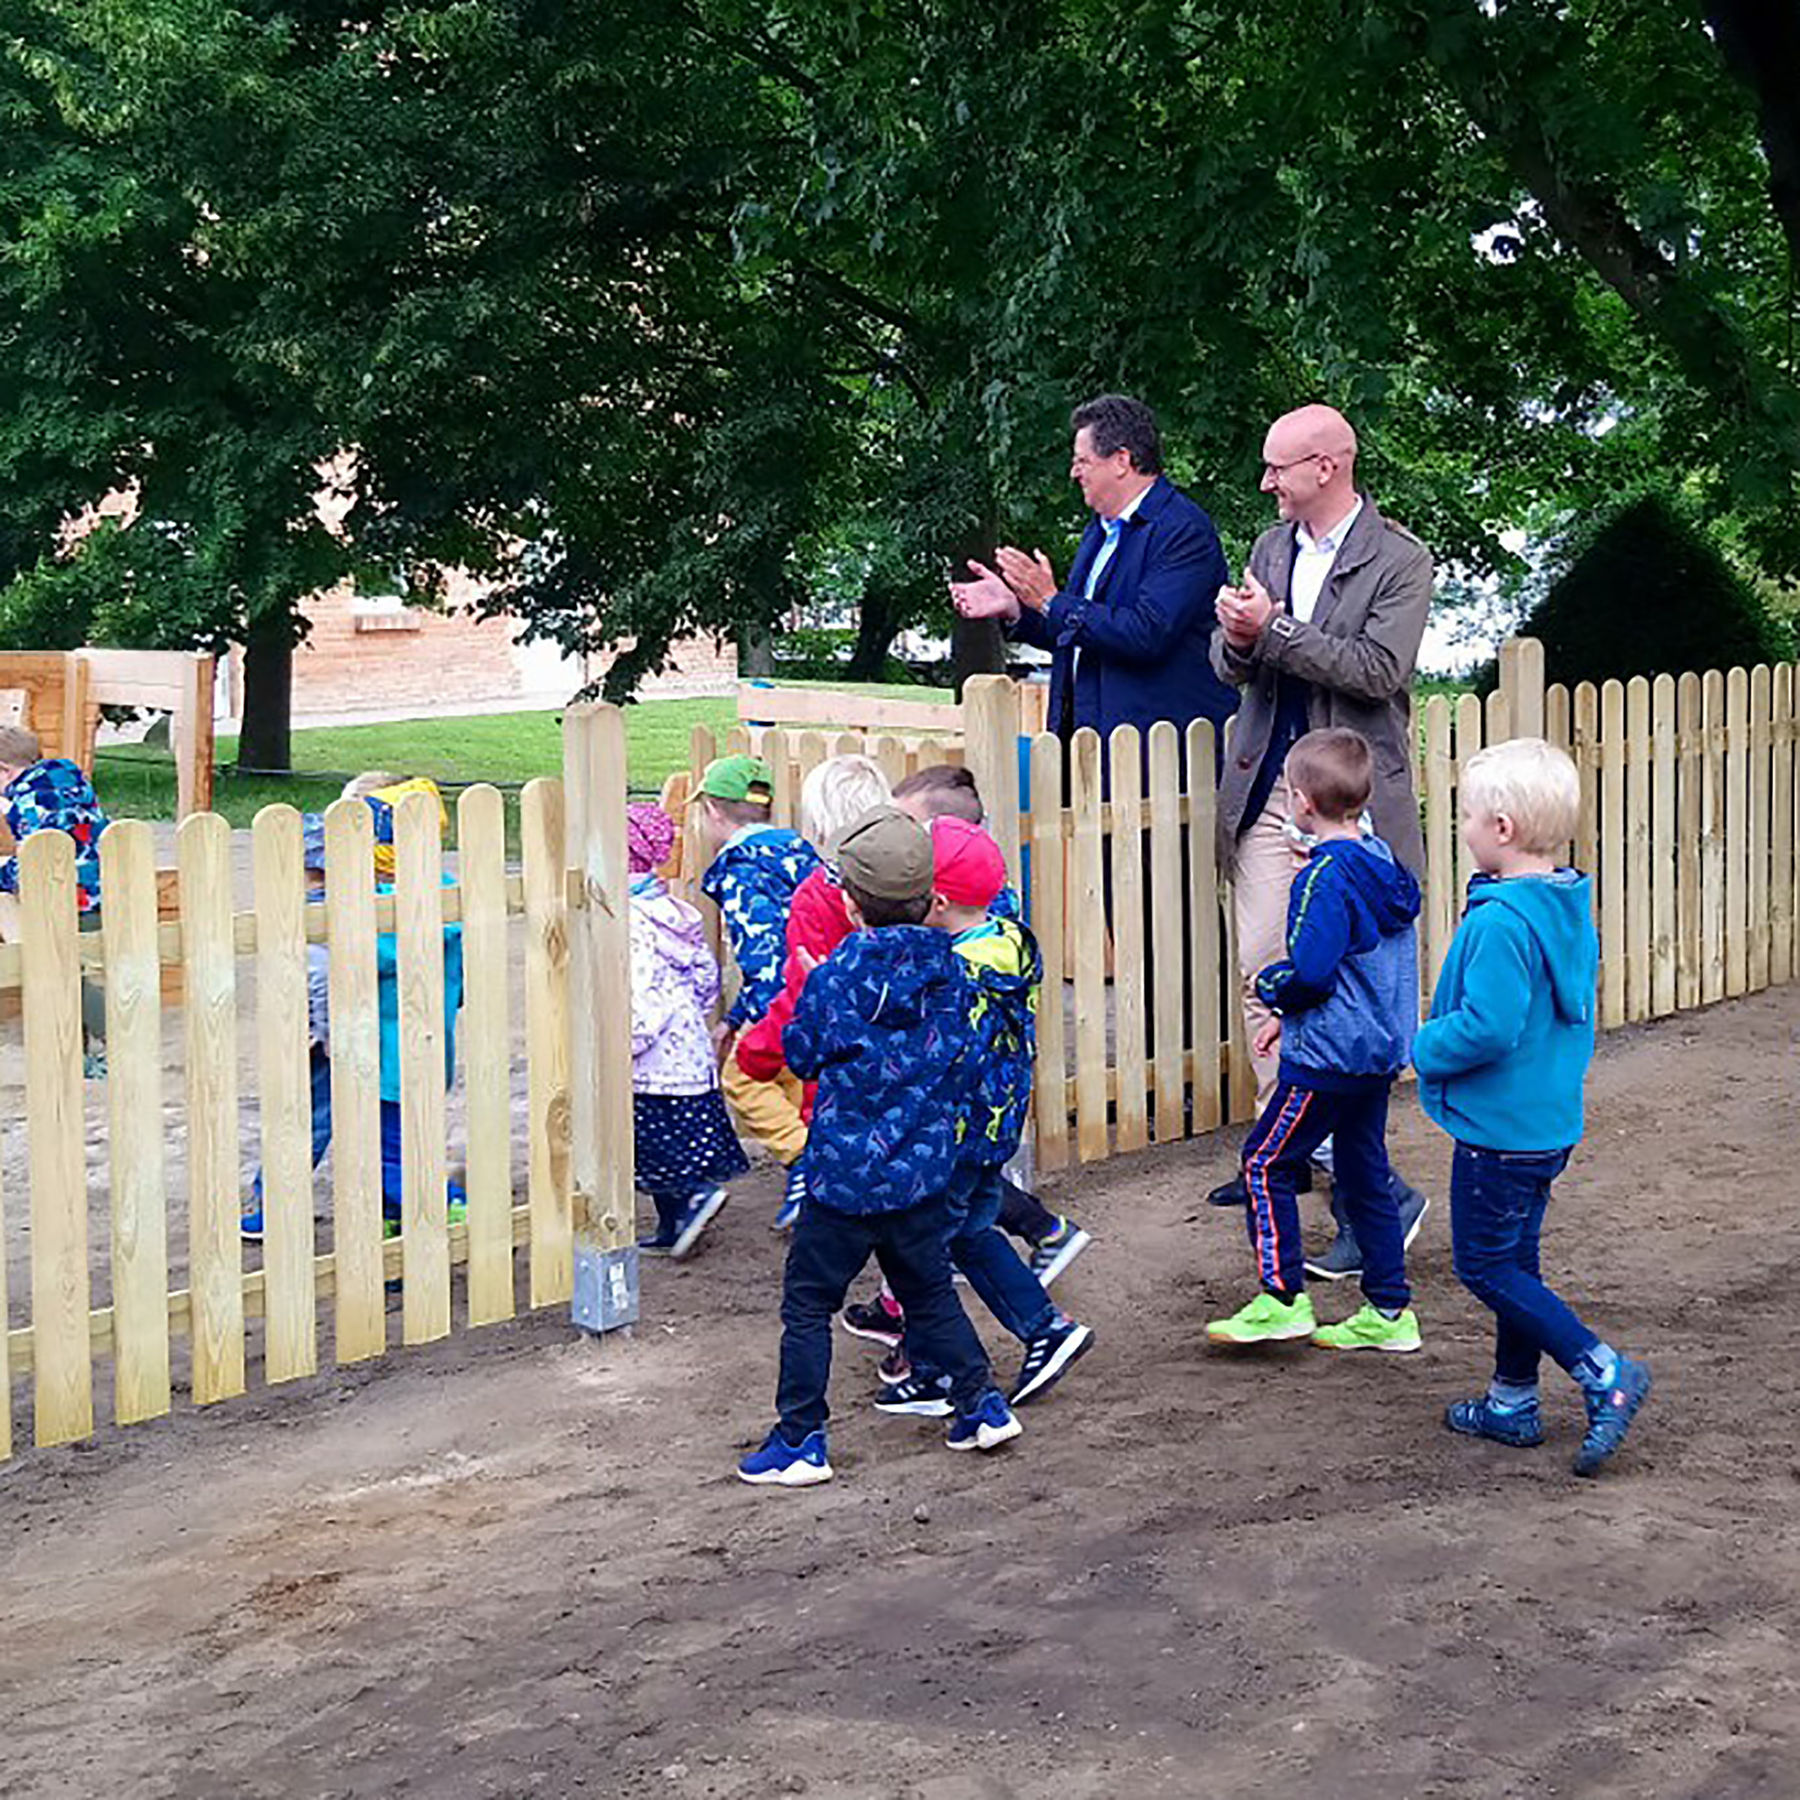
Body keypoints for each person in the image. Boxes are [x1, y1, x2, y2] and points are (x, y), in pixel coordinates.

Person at [1210, 402, 1432, 1276]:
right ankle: (1299, 1161)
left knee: (1347, 989)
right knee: (1267, 974)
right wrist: (1235, 640)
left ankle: (1365, 1196)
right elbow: (1234, 666)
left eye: (1279, 469)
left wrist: (1278, 631)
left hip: (1353, 803)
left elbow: (1381, 672)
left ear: (1328, 467)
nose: (1266, 484)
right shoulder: (1271, 549)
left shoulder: (1401, 559)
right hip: (1270, 792)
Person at [737, 807, 1021, 1487]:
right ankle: (981, 1405)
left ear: (849, 902)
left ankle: (801, 1438)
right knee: (928, 1293)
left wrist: (806, 987)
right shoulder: (954, 971)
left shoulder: (837, 975)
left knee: (808, 1304)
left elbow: (801, 1056)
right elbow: (962, 1059)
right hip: (922, 1174)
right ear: (931, 896)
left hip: (843, 1182)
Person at [1413, 739, 1651, 1476]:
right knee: (1517, 1260)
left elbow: (1489, 1026)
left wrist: (1421, 1045)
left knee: (1485, 1267)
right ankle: (1512, 1402)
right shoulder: (1563, 905)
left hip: (1499, 1130)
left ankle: (1602, 1369)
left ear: (1503, 828)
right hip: (1545, 1124)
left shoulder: (1498, 923)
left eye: (1467, 816)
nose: (1463, 828)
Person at [1205, 730, 1423, 1354]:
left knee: (1264, 1163)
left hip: (1327, 1059)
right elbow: (1353, 971)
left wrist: (1274, 991)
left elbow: (1312, 971)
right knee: (1362, 1173)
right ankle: (1388, 1310)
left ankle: (1281, 1298)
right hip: (1374, 1050)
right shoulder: (1384, 863)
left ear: (1300, 803)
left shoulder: (1322, 878)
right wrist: (1290, 1015)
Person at [874, 816, 1094, 1418]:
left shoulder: (954, 972)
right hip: (995, 1122)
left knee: (923, 1246)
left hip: (954, 1131)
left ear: (935, 900)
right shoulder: (1008, 940)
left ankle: (956, 1364)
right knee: (966, 1234)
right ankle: (1029, 1332)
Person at [239, 779, 466, 1239]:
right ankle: (389, 1234)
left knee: (388, 1149)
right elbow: (459, 987)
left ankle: (449, 1210)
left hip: (386, 1056)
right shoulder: (435, 895)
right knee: (351, 1132)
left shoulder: (393, 906)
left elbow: (366, 958)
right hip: (386, 1043)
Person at [948, 393, 1236, 757]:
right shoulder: (1099, 531)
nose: (1074, 472)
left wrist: (1052, 601)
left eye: (1082, 461)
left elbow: (1147, 633)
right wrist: (1017, 610)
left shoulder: (1182, 530)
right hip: (1088, 742)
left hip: (1155, 753)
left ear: (1121, 460)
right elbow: (1079, 631)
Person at [730, 753, 892, 1229]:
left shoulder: (818, 895)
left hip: (835, 1059)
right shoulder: (908, 881)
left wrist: (758, 1051)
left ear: (817, 826)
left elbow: (806, 989)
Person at [695, 753, 821, 1223]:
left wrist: (748, 1015)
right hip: (819, 987)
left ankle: (808, 1163)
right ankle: (808, 1187)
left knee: (742, 1079)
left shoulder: (742, 870)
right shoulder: (797, 852)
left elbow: (765, 956)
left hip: (782, 999)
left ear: (712, 811)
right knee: (791, 1083)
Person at [626, 802, 748, 1262]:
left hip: (654, 1057)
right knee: (676, 1139)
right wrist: (696, 1016)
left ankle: (696, 1197)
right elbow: (704, 975)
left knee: (659, 1146)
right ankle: (674, 1225)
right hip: (688, 1047)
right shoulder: (674, 909)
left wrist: (630, 1041)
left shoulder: (632, 922)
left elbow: (639, 990)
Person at [0, 725, 110, 1076]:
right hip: (99, 888)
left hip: (67, 895)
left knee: (68, 975)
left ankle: (116, 1038)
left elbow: (38, 855)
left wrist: (4, 875)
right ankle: (78, 1057)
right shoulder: (70, 780)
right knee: (79, 966)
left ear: (4, 770)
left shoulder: (29, 800)